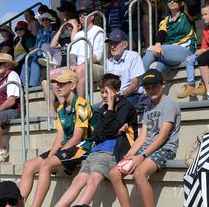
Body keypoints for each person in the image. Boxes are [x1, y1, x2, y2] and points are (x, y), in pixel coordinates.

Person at [54, 74, 138, 207]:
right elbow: (97, 134)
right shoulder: (102, 109)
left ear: (116, 91)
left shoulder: (126, 107)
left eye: (107, 92)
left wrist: (110, 109)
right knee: (78, 180)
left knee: (93, 178)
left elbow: (110, 132)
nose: (104, 95)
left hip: (112, 151)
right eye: (101, 92)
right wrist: (111, 128)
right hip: (96, 150)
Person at [19, 69, 93, 207]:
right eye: (56, 83)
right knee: (29, 165)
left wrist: (54, 157)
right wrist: (52, 155)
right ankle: (18, 204)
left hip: (83, 147)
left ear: (72, 86)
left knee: (46, 165)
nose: (57, 86)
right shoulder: (60, 108)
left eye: (62, 83)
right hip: (68, 146)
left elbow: (77, 138)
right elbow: (60, 136)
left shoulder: (82, 104)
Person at [109, 69, 181, 207]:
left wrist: (141, 156)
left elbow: (162, 137)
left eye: (155, 86)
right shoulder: (148, 107)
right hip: (146, 149)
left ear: (163, 84)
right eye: (147, 88)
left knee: (139, 174)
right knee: (114, 173)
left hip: (165, 148)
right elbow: (142, 137)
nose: (151, 90)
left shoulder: (169, 104)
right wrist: (129, 155)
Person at [142, 0, 196, 76]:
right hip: (172, 54)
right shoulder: (166, 20)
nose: (172, 2)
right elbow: (161, 34)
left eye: (175, 0)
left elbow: (192, 5)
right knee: (154, 67)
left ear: (181, 3)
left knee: (150, 50)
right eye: (169, 0)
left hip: (186, 50)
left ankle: (141, 84)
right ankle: (149, 85)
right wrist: (157, 44)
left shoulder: (187, 15)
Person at [178, 3, 209, 100]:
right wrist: (201, 50)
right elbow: (204, 45)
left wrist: (204, 50)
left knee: (202, 58)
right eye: (202, 15)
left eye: (205, 14)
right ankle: (190, 84)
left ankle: (204, 84)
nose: (203, 17)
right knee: (189, 59)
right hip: (207, 51)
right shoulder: (205, 30)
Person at [105, 29, 147, 108]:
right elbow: (108, 85)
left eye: (116, 43)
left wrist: (120, 96)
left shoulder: (133, 56)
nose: (112, 46)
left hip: (133, 96)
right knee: (95, 110)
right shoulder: (109, 61)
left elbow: (134, 84)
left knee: (117, 109)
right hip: (114, 97)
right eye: (110, 43)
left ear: (125, 44)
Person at [69, 8, 105, 98]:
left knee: (80, 69)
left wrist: (80, 65)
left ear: (92, 16)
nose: (81, 16)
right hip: (79, 67)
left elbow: (97, 57)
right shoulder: (78, 34)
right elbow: (72, 54)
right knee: (52, 75)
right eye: (80, 15)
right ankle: (59, 109)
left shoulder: (98, 31)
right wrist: (73, 65)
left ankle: (82, 105)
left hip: (97, 66)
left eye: (84, 14)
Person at [14, 21, 39, 88]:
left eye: (21, 29)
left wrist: (23, 59)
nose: (18, 31)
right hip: (19, 60)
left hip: (29, 57)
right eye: (16, 29)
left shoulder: (28, 38)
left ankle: (24, 86)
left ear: (25, 29)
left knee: (25, 65)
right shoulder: (17, 39)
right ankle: (22, 86)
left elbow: (32, 52)